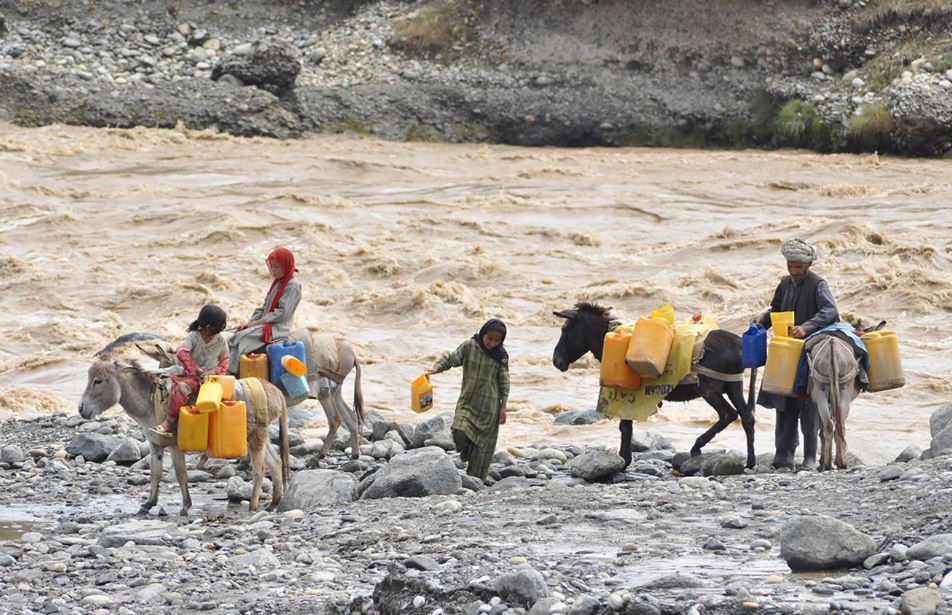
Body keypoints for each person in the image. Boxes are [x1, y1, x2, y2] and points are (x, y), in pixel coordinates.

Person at [755, 237, 839, 470]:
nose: (794, 271)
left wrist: (807, 327)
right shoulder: (784, 284)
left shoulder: (818, 284)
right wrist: (762, 321)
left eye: (798, 267)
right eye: (790, 266)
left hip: (810, 349)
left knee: (809, 403)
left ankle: (810, 458)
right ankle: (783, 455)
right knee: (783, 401)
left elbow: (830, 310)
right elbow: (776, 309)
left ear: (808, 265)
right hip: (786, 349)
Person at [427, 319, 510, 481]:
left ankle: (475, 484)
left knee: (481, 454)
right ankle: (465, 450)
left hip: (489, 409)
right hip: (468, 402)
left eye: (496, 340)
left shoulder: (501, 357)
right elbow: (452, 359)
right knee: (459, 430)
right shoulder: (469, 346)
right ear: (483, 333)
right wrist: (436, 368)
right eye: (489, 338)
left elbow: (504, 382)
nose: (492, 343)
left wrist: (503, 407)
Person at [151, 305, 230, 436]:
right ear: (208, 327)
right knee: (182, 388)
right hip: (193, 377)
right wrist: (194, 369)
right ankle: (169, 423)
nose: (219, 332)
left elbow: (225, 359)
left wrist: (215, 373)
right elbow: (182, 353)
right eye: (216, 328)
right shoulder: (193, 337)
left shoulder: (221, 340)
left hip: (213, 379)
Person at [228, 246, 302, 375]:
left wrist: (257, 324)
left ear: (286, 265)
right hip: (265, 322)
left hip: (277, 328)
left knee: (240, 339)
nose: (273, 270)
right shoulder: (277, 282)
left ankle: (232, 372)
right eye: (271, 266)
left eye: (277, 267)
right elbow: (264, 307)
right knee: (235, 332)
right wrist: (250, 322)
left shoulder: (292, 286)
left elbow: (282, 313)